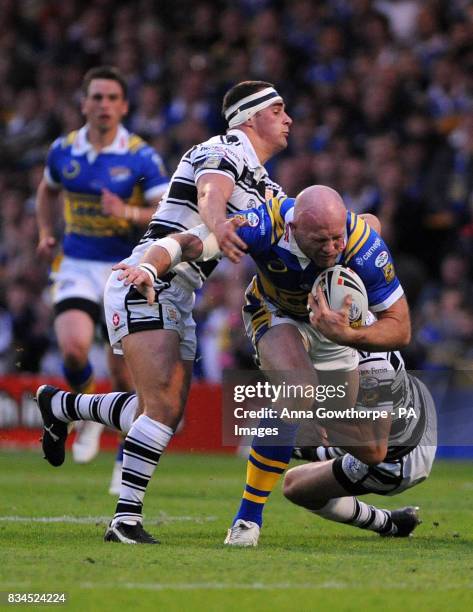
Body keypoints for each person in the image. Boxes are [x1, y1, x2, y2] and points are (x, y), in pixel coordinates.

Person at [36, 80, 293, 544]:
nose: (288, 118)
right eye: (278, 110)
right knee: (160, 409)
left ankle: (61, 405)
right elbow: (211, 198)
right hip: (150, 278)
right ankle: (125, 520)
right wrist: (215, 230)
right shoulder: (223, 147)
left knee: (158, 411)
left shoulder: (269, 188)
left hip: (177, 290)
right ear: (250, 118)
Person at [35, 66, 169, 466]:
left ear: (124, 106)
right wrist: (45, 230)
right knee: (74, 350)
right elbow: (47, 190)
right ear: (84, 104)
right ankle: (86, 412)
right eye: (96, 97)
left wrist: (126, 211)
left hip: (123, 268)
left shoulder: (141, 155)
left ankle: (119, 454)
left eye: (112, 98)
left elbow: (164, 212)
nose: (104, 105)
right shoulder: (64, 150)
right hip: (76, 262)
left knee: (124, 375)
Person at [284, 341, 437, 538]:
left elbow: (373, 450)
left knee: (294, 485)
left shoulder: (371, 366)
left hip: (399, 458)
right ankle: (308, 450)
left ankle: (389, 524)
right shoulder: (359, 329)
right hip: (415, 412)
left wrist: (317, 414)